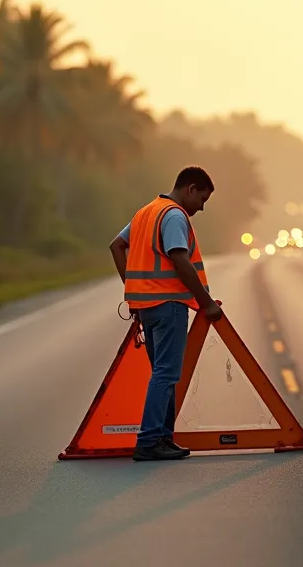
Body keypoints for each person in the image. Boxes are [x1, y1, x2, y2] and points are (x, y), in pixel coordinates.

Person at [110, 166, 222, 462]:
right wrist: (206, 301)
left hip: (146, 307)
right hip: (169, 304)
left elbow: (117, 245)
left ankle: (163, 438)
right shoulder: (173, 216)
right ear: (190, 189)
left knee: (164, 373)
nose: (202, 207)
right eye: (202, 199)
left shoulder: (147, 212)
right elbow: (179, 258)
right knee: (166, 373)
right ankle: (149, 441)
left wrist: (134, 284)